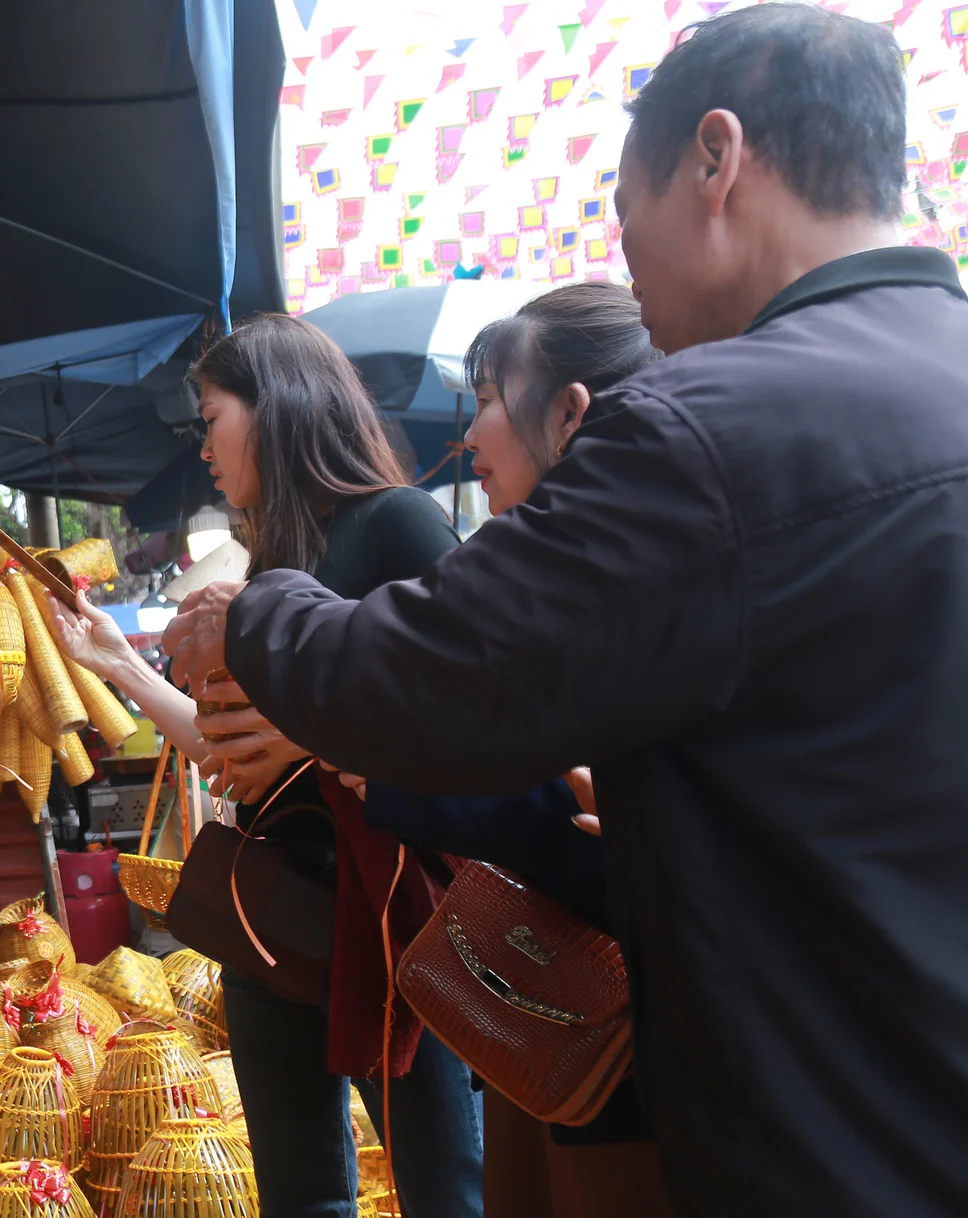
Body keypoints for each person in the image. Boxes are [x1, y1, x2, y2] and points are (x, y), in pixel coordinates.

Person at [161, 7, 968, 1216]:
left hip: (833, 1134)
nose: (623, 261)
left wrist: (248, 622)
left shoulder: (713, 426)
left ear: (713, 159)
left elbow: (433, 680)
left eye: (625, 215)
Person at [50, 312, 483, 1218]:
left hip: (390, 924)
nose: (203, 446)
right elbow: (228, 748)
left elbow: (476, 708)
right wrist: (116, 664)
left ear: (275, 407)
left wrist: (318, 731)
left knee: (444, 1187)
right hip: (273, 917)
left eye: (211, 418)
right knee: (301, 1192)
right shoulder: (277, 562)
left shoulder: (396, 524)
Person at [318, 282, 672, 1218]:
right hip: (553, 1027)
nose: (469, 436)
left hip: (618, 1039)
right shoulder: (596, 573)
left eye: (485, 401)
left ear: (569, 413)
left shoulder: (633, 591)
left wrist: (389, 773)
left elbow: (586, 822)